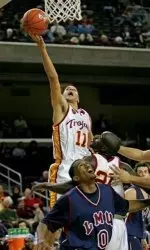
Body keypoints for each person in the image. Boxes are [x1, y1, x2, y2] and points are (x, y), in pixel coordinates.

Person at [32, 135, 139, 250]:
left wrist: (47, 185)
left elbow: (72, 184)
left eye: (98, 139)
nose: (93, 139)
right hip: (116, 219)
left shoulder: (90, 160)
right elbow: (140, 184)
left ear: (104, 146)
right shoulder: (123, 165)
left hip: (104, 217)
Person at [29, 33, 92, 208]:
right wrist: (42, 49)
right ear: (62, 97)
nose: (70, 89)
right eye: (66, 90)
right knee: (60, 219)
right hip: (65, 169)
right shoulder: (62, 109)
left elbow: (91, 139)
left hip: (85, 169)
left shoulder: (85, 115)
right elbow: (54, 79)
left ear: (78, 97)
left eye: (74, 89)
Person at [125, 162, 150, 250]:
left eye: (145, 172)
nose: (143, 174)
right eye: (140, 172)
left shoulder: (147, 194)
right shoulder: (132, 191)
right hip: (129, 234)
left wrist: (143, 238)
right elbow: (123, 216)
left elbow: (142, 220)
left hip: (138, 235)